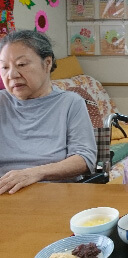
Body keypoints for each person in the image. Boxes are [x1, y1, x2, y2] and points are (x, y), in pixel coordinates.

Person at [0, 30, 97, 195]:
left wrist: (34, 173)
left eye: (21, 64)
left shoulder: (70, 103)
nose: (12, 75)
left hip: (54, 194)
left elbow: (85, 159)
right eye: (4, 67)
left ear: (47, 63)